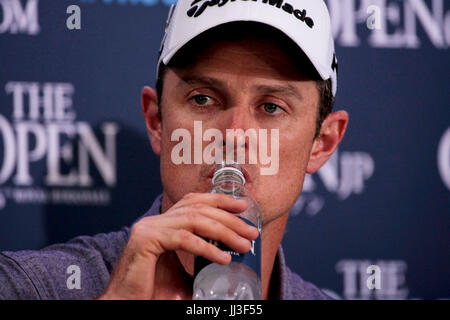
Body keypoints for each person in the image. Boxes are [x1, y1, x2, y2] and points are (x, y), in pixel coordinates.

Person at [0, 0, 348, 300]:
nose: (234, 135)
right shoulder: (28, 286)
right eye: (202, 99)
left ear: (323, 142)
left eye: (271, 107)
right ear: (156, 121)